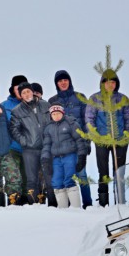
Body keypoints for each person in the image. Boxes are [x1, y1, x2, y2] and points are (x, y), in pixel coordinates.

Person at [85, 69, 129, 207]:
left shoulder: (122, 99)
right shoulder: (95, 99)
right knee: (103, 171)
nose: (110, 85)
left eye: (113, 82)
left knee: (119, 171)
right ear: (102, 84)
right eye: (107, 82)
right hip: (102, 141)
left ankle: (121, 202)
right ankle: (104, 203)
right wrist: (96, 136)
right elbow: (89, 119)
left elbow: (128, 118)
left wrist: (126, 135)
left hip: (120, 141)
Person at [48, 70, 93, 208]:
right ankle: (66, 206)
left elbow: (87, 121)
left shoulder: (80, 97)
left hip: (78, 144)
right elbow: (50, 125)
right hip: (61, 147)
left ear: (70, 81)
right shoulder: (52, 101)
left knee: (81, 174)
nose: (63, 82)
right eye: (60, 81)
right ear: (56, 84)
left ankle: (88, 204)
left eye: (65, 80)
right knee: (63, 177)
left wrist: (87, 141)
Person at [10, 82, 54, 205]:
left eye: (28, 91)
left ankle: (54, 205)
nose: (26, 94)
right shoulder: (17, 111)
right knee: (32, 180)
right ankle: (34, 205)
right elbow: (14, 130)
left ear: (32, 92)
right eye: (23, 93)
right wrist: (25, 141)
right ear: (21, 96)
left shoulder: (45, 105)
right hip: (29, 150)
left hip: (46, 148)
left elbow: (53, 122)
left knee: (49, 178)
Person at [41, 103, 87, 208]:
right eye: (54, 114)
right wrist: (45, 160)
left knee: (69, 180)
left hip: (70, 156)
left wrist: (82, 156)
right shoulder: (49, 128)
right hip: (57, 158)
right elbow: (46, 145)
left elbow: (80, 140)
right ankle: (63, 210)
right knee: (56, 181)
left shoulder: (71, 123)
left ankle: (76, 208)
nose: (56, 116)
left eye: (58, 113)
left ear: (62, 113)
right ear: (51, 115)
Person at [2, 75, 29, 200]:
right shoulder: (4, 106)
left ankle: (29, 208)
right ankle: (14, 207)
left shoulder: (33, 104)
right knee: (13, 181)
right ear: (13, 89)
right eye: (17, 88)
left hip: (29, 149)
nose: (20, 90)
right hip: (11, 149)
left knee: (28, 180)